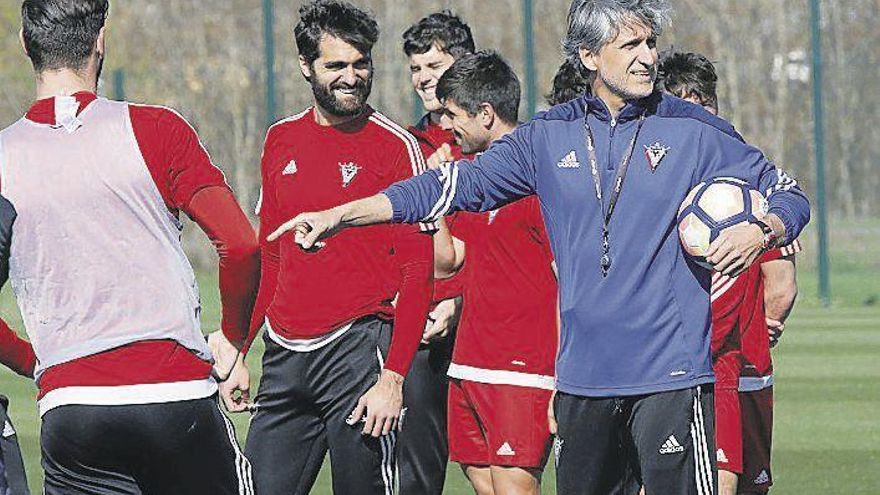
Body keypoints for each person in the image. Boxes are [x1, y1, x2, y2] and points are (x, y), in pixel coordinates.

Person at [268, 1, 812, 493]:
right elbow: (448, 186)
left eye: (651, 44)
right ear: (590, 56)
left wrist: (762, 230)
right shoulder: (549, 135)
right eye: (632, 46)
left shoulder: (693, 129)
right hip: (581, 382)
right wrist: (346, 213)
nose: (648, 57)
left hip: (670, 379)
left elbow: (788, 193)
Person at [0, 1, 260, 493]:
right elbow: (241, 245)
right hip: (175, 395)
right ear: (100, 40)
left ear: (24, 44)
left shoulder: (3, 157)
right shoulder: (157, 129)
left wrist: (34, 362)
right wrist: (231, 336)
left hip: (72, 409)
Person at [233, 1, 434, 494]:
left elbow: (418, 270)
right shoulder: (280, 139)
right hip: (283, 358)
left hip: (359, 355)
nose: (351, 76)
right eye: (336, 65)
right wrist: (240, 349)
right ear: (306, 66)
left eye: (360, 63)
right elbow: (273, 258)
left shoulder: (396, 147)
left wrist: (393, 378)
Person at [658, 50, 801, 495]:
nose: (699, 114)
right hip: (680, 367)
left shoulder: (752, 180)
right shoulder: (658, 180)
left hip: (742, 363)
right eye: (684, 102)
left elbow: (781, 282)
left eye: (705, 102)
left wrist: (761, 324)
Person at [430, 51, 559, 495]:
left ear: (486, 114)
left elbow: (571, 281)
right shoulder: (473, 175)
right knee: (485, 486)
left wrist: (567, 370)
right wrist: (437, 198)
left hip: (522, 369)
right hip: (468, 362)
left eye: (453, 114)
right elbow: (448, 259)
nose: (447, 126)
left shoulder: (542, 176)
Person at [398, 11, 475, 494]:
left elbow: (499, 247)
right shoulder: (406, 144)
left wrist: (458, 299)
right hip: (420, 325)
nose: (424, 78)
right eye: (415, 69)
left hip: (482, 323)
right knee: (416, 469)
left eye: (435, 65)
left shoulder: (493, 142)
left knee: (493, 467)